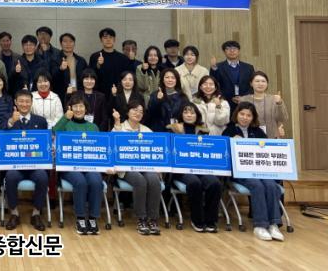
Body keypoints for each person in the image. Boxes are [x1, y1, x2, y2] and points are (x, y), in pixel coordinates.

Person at [223, 102, 285, 241]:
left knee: (271, 185)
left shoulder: (258, 132)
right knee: (257, 185)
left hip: (260, 170)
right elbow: (224, 155)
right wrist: (231, 142)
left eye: (248, 115)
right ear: (236, 114)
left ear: (253, 117)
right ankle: (260, 225)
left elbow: (268, 151)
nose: (245, 118)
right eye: (242, 114)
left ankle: (273, 224)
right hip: (240, 172)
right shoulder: (229, 131)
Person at [53, 94, 103, 235]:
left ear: (86, 108)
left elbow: (100, 148)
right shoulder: (65, 124)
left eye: (81, 106)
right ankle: (80, 218)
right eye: (75, 106)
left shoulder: (93, 127)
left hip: (90, 166)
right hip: (69, 167)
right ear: (70, 108)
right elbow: (54, 132)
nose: (78, 109)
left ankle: (93, 218)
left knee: (96, 181)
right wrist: (65, 118)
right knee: (80, 182)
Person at [168, 103, 221, 233]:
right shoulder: (172, 129)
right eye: (186, 112)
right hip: (181, 170)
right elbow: (169, 151)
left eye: (192, 113)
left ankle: (211, 221)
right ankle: (197, 220)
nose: (189, 115)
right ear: (181, 114)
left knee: (215, 183)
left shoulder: (204, 131)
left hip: (201, 168)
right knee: (194, 183)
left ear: (197, 115)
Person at [112, 101, 162, 235]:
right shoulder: (120, 127)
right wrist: (117, 123)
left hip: (146, 167)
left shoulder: (147, 130)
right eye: (134, 110)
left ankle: (153, 219)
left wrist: (158, 167)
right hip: (126, 169)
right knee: (140, 181)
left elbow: (156, 150)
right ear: (127, 112)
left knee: (154, 180)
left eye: (140, 111)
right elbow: (113, 146)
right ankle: (142, 219)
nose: (138, 113)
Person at [4, 89, 49, 231]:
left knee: (42, 176)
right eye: (21, 101)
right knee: (10, 176)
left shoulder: (41, 121)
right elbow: (1, 137)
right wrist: (11, 121)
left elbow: (44, 144)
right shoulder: (8, 118)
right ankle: (14, 213)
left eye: (27, 101)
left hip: (35, 165)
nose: (24, 104)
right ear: (15, 102)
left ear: (31, 103)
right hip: (15, 166)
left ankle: (36, 213)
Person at [239, 71, 289, 139]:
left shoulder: (274, 99)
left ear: (267, 84)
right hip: (250, 138)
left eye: (263, 81)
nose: (260, 84)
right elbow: (239, 120)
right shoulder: (244, 99)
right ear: (251, 83)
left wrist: (279, 103)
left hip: (272, 138)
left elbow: (283, 118)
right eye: (257, 81)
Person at [210, 40, 255, 109]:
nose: (232, 51)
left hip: (245, 102)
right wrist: (214, 68)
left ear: (239, 51)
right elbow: (214, 84)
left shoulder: (248, 67)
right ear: (224, 52)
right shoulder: (218, 67)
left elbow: (253, 85)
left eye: (234, 48)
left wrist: (244, 98)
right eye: (228, 49)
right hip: (225, 103)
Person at [89, 28, 132, 98]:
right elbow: (90, 76)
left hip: (119, 94)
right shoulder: (94, 56)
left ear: (114, 39)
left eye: (111, 37)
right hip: (99, 95)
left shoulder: (123, 58)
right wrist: (98, 65)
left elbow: (128, 76)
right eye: (105, 37)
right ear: (101, 40)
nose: (108, 40)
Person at [147, 68, 189, 132]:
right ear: (162, 80)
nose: (170, 80)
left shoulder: (183, 97)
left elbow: (186, 115)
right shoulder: (155, 94)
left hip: (176, 131)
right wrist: (158, 100)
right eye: (167, 77)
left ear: (177, 80)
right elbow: (151, 113)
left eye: (173, 78)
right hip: (158, 131)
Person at [53, 33, 88, 102]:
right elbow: (52, 78)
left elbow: (86, 76)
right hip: (62, 95)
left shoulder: (81, 60)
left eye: (71, 41)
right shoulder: (55, 60)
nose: (68, 44)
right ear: (61, 44)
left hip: (79, 95)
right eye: (65, 41)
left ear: (74, 44)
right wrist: (60, 69)